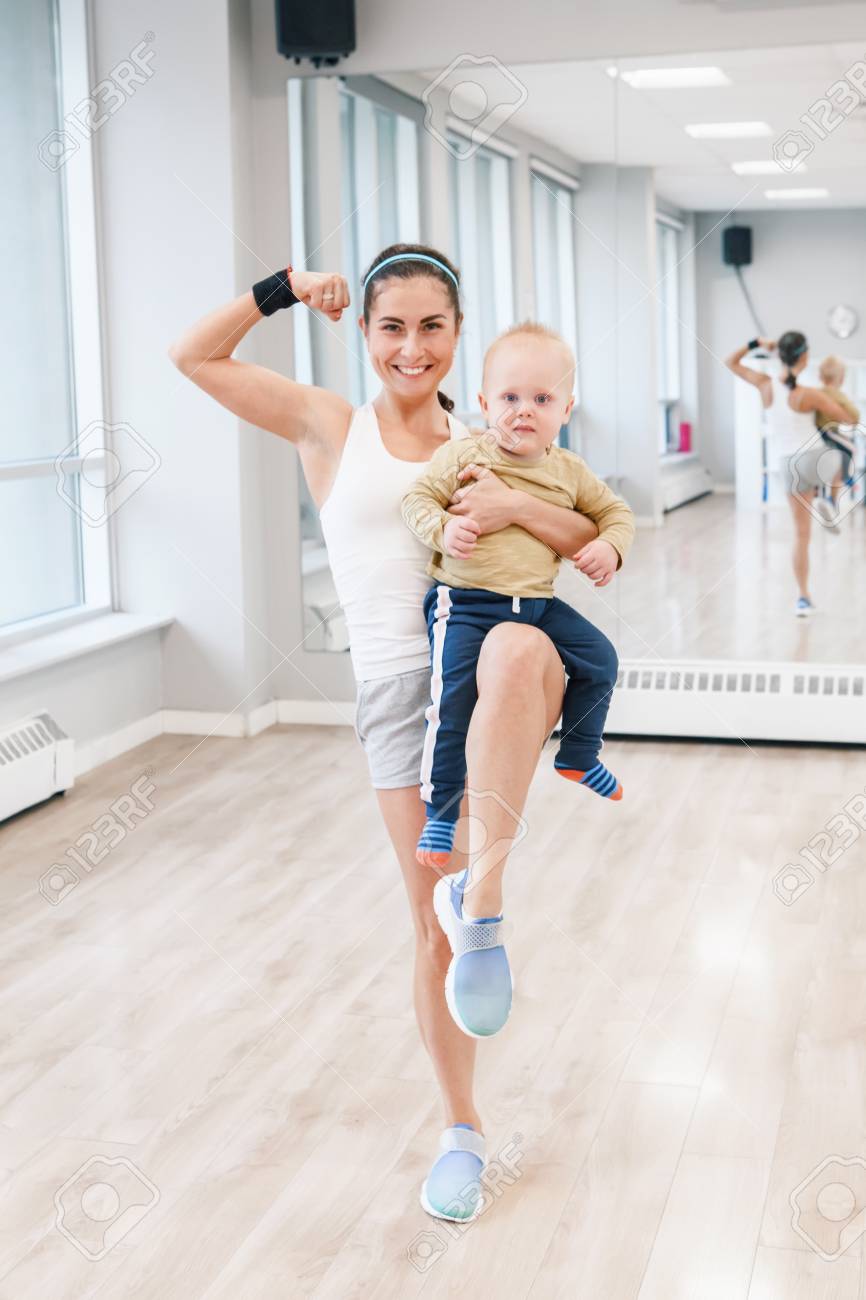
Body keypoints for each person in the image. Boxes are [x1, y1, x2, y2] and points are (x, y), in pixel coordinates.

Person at [168, 244, 601, 1224]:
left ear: (457, 334)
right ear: (363, 333)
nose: (412, 348)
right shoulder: (330, 425)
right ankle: (460, 1127)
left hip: (490, 671)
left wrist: (515, 504)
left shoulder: (495, 431)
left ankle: (481, 898)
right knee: (425, 926)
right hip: (396, 698)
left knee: (528, 653)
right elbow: (192, 357)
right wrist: (281, 288)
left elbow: (586, 540)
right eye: (392, 327)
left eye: (432, 327)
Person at [400, 321, 634, 1040]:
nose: (522, 410)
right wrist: (445, 533)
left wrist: (606, 550)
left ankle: (578, 752)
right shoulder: (463, 454)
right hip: (464, 604)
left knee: (600, 659)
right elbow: (417, 502)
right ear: (481, 402)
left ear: (566, 408)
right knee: (454, 704)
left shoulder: (567, 472)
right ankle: (444, 810)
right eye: (508, 396)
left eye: (540, 397)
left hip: (534, 605)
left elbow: (615, 514)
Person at [725, 331, 853, 616]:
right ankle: (831, 501)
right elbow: (847, 418)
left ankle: (803, 598)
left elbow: (730, 362)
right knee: (843, 457)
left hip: (788, 466)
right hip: (816, 457)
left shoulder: (765, 385)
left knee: (801, 535)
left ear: (779, 355)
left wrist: (756, 344)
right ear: (805, 358)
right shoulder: (808, 394)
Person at [816, 355, 860, 524]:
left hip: (823, 432)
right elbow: (855, 414)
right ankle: (847, 476)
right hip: (828, 432)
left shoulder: (818, 392)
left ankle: (831, 499)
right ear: (841, 379)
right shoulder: (837, 395)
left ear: (820, 376)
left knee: (839, 463)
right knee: (852, 447)